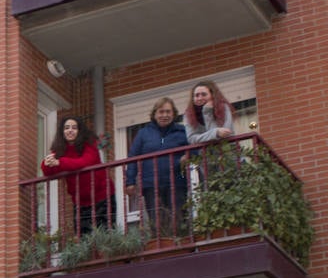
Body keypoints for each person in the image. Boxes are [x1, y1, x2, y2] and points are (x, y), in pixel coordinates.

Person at [123, 97, 190, 239]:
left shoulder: (182, 131)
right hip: (151, 185)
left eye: (168, 112)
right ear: (154, 114)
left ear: (174, 114)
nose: (164, 115)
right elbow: (132, 157)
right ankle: (161, 248)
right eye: (161, 112)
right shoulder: (143, 133)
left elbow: (194, 150)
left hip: (177, 183)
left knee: (179, 218)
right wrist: (130, 181)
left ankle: (181, 247)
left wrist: (186, 157)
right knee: (157, 221)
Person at [40, 114, 115, 236]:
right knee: (84, 239)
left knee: (106, 235)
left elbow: (85, 162)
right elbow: (48, 172)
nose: (70, 130)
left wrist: (60, 162)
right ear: (62, 131)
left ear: (79, 130)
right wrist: (46, 163)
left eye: (74, 128)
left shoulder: (90, 143)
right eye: (67, 128)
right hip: (80, 201)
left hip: (102, 195)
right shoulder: (60, 149)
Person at [184, 79, 234, 144]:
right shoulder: (189, 114)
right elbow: (191, 139)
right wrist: (215, 132)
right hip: (206, 153)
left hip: (228, 150)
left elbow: (225, 133)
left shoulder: (223, 107)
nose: (200, 98)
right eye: (197, 95)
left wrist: (207, 112)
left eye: (204, 94)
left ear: (213, 95)